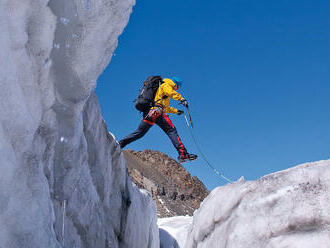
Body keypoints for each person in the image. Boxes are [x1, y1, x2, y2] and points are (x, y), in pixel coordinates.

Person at [119, 77, 197, 163]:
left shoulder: (161, 88)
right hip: (157, 112)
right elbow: (170, 93)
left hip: (150, 112)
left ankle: (120, 144)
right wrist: (182, 99)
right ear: (175, 85)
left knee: (140, 132)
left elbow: (165, 107)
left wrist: (176, 111)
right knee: (171, 130)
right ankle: (183, 154)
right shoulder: (167, 85)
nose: (177, 89)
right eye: (177, 87)